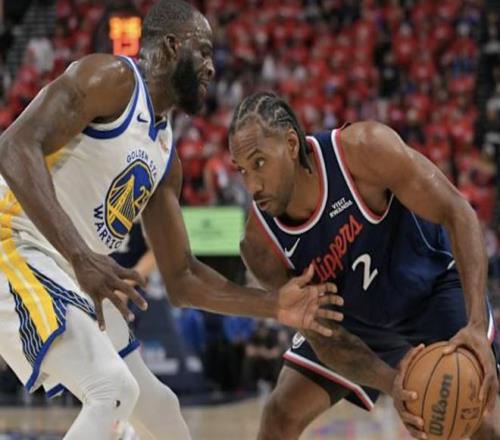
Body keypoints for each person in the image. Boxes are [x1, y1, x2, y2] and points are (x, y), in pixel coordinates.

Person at [0, 2, 343, 439]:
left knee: (161, 410)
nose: (211, 67)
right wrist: (81, 256)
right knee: (112, 390)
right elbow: (14, 147)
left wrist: (275, 305)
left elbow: (182, 279)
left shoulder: (165, 156)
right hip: (14, 242)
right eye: (203, 52)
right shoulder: (111, 79)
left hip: (69, 268)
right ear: (170, 46)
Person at [229, 92, 500, 440]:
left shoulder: (363, 151)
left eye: (259, 163)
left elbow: (458, 211)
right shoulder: (261, 246)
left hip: (431, 289)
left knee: (482, 424)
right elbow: (324, 337)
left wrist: (476, 325)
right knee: (280, 415)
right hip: (355, 321)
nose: (252, 185)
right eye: (242, 170)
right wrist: (392, 382)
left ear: (291, 144)